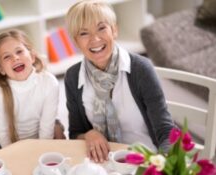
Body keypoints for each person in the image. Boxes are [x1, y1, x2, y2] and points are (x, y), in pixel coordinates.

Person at [64, 0, 174, 163]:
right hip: (103, 162)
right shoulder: (73, 77)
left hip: (146, 159)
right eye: (84, 33)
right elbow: (75, 132)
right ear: (76, 41)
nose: (95, 39)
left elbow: (166, 131)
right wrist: (89, 134)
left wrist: (161, 166)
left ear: (114, 30)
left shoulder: (140, 69)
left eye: (101, 28)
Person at [0, 29, 61, 147]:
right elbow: (2, 132)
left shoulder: (49, 83)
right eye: (6, 57)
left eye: (19, 51)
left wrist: (41, 150)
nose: (15, 58)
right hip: (11, 145)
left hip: (44, 138)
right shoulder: (0, 92)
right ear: (1, 69)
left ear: (32, 56)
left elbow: (46, 128)